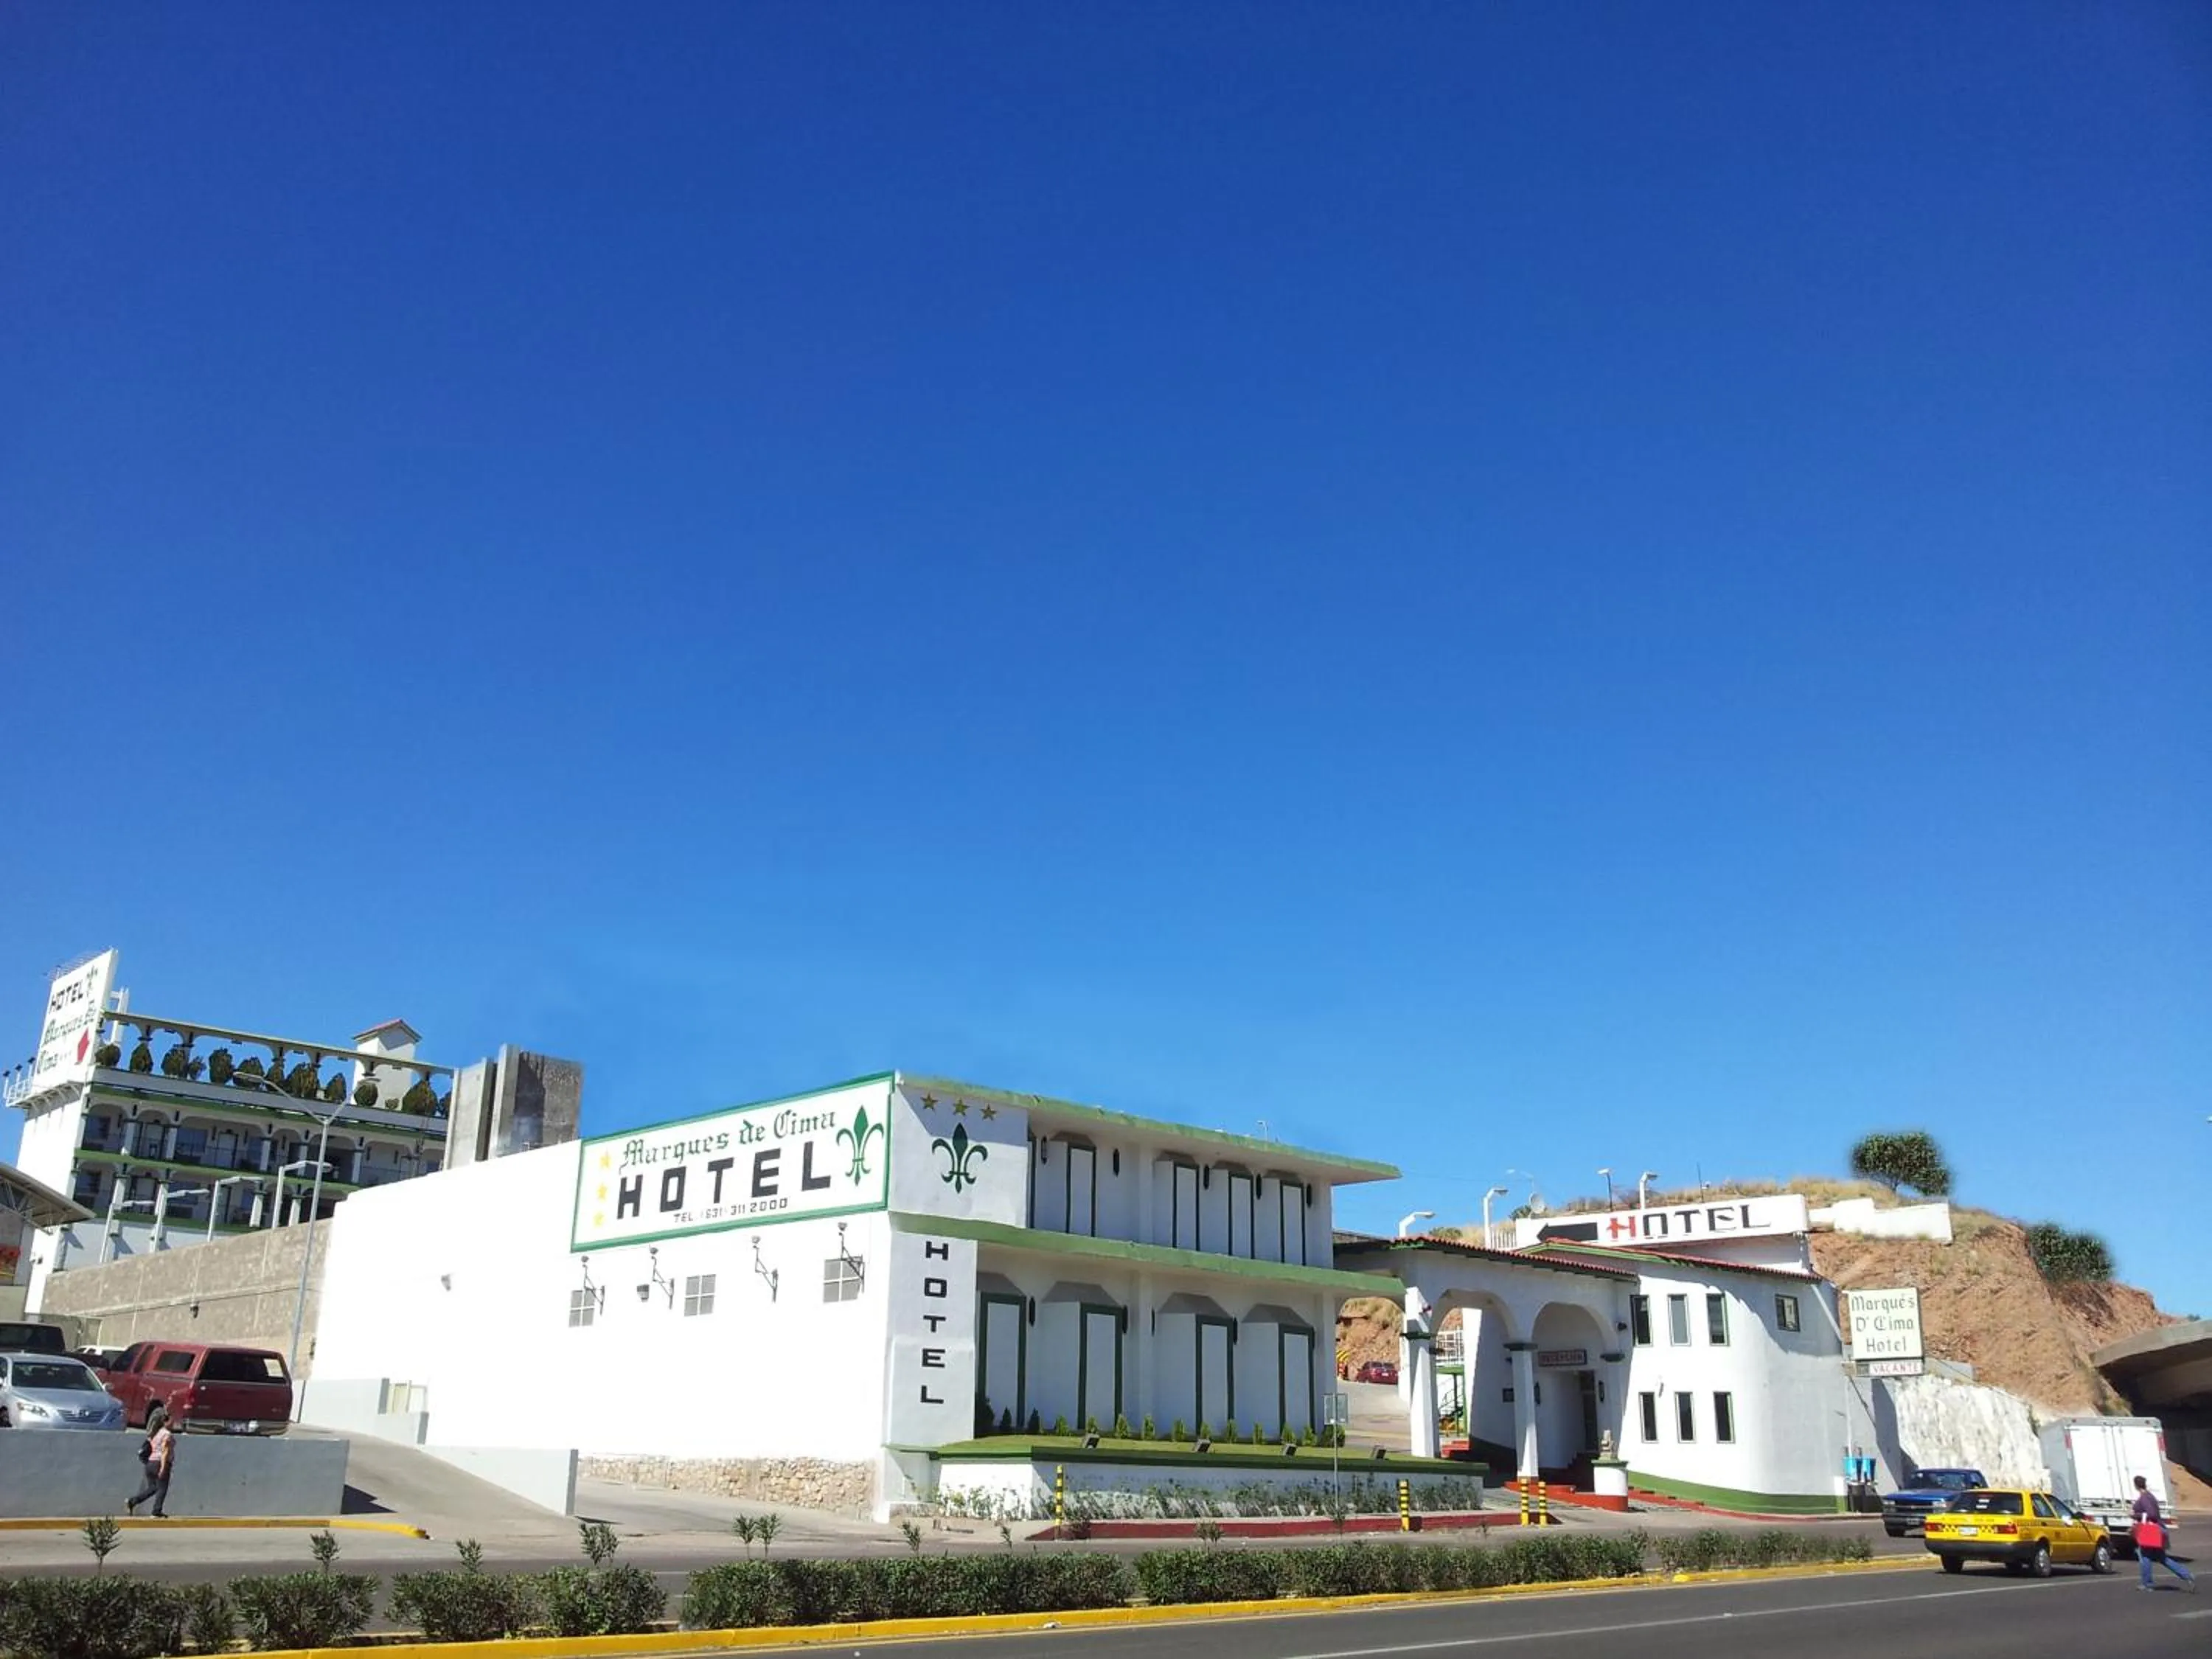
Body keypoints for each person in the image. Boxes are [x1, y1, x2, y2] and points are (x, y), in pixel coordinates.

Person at [2132, 1474, 2194, 1592]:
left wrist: (2135, 1515)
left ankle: (2147, 1584)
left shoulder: (2144, 1498)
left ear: (2136, 1485)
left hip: (2151, 1531)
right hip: (2159, 1529)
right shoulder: (2150, 1496)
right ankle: (2187, 1575)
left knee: (2145, 1556)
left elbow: (2151, 1514)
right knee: (2161, 1558)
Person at [125, 1412, 177, 1519]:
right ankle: (156, 1511)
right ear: (165, 1422)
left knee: (153, 1487)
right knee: (162, 1488)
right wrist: (163, 1468)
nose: (174, 1423)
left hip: (150, 1463)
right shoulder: (166, 1434)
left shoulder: (154, 1433)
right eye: (172, 1421)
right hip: (160, 1462)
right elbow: (165, 1451)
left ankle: (133, 1501)